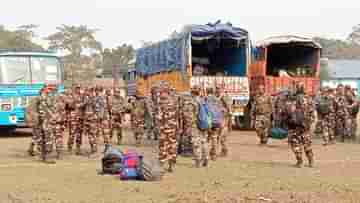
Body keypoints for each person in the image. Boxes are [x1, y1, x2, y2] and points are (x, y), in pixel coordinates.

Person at [284, 91, 315, 168]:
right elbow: (286, 118)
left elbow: (312, 119)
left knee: (305, 147)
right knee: (297, 147)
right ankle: (302, 161)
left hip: (302, 130)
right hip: (296, 131)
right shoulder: (291, 108)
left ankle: (308, 161)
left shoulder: (307, 109)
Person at [156, 82, 179, 172]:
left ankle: (161, 164)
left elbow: (158, 116)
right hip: (173, 127)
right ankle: (171, 165)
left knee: (163, 146)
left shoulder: (161, 102)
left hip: (164, 127)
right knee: (172, 145)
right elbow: (177, 114)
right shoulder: (174, 100)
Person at [191, 86, 210, 167]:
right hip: (204, 124)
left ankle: (198, 161)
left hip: (196, 125)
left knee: (196, 143)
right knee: (204, 141)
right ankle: (206, 158)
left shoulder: (193, 102)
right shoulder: (203, 101)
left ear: (192, 93)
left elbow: (191, 115)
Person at [38, 85, 56, 163]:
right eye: (49, 89)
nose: (50, 90)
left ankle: (43, 156)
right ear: (45, 89)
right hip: (46, 120)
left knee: (43, 138)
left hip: (42, 120)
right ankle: (47, 157)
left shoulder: (41, 97)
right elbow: (46, 109)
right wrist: (52, 115)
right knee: (48, 138)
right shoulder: (44, 97)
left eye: (51, 89)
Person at [67, 84, 85, 155]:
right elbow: (69, 105)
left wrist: (81, 104)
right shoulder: (71, 95)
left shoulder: (82, 96)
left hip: (80, 117)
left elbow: (85, 104)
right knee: (72, 133)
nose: (78, 89)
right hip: (73, 117)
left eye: (79, 88)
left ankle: (78, 148)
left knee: (79, 133)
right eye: (77, 88)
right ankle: (70, 147)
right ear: (74, 88)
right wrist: (76, 104)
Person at [215, 86, 231, 157]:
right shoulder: (216, 96)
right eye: (217, 89)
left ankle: (224, 151)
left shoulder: (224, 97)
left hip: (224, 118)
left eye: (219, 89)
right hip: (218, 118)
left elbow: (229, 107)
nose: (217, 90)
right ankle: (223, 151)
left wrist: (229, 113)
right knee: (219, 136)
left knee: (222, 136)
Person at [82, 87, 98, 154]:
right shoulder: (87, 97)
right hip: (87, 118)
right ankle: (92, 148)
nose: (86, 92)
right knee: (89, 135)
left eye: (87, 91)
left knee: (92, 134)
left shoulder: (93, 98)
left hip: (91, 119)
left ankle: (94, 149)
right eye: (86, 91)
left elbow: (96, 108)